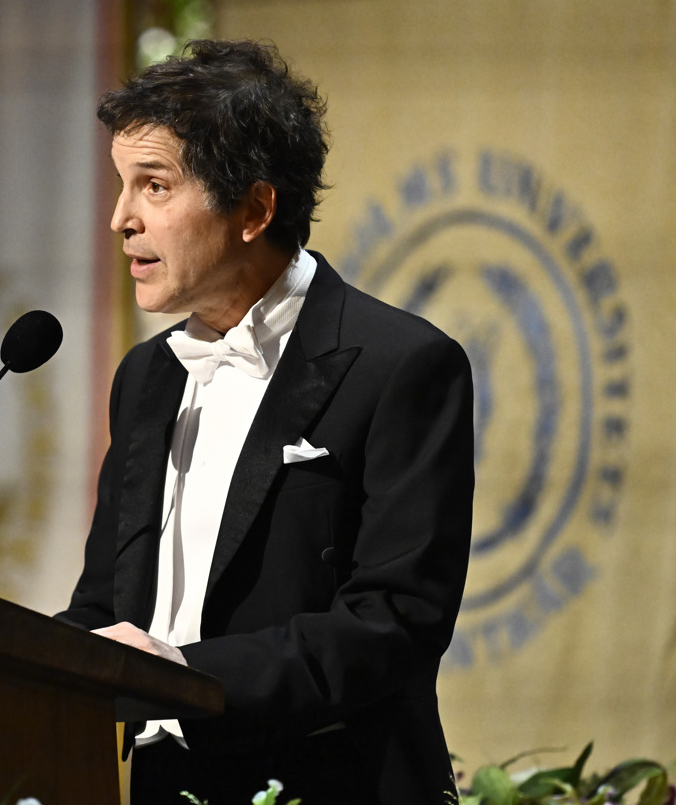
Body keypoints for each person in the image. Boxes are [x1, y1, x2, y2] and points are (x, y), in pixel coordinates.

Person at [56, 40, 474, 805]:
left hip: (331, 784)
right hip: (163, 786)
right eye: (122, 187)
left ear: (254, 208)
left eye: (153, 186)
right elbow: (105, 608)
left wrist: (184, 676)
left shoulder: (402, 365)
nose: (120, 220)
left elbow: (395, 621)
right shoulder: (147, 378)